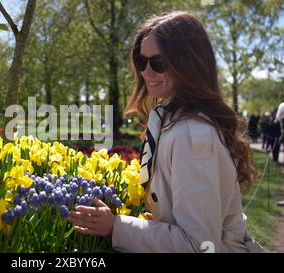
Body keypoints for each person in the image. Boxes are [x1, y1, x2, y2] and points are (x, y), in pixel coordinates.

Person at [67, 11, 263, 253]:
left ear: (188, 64)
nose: (147, 72)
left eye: (158, 63)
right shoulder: (170, 117)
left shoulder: (192, 134)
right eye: (142, 61)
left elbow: (199, 246)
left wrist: (116, 226)